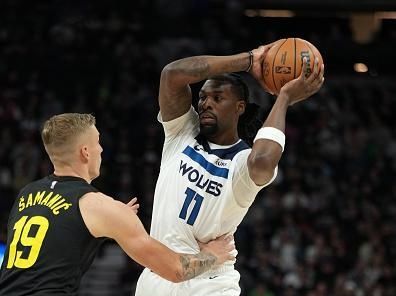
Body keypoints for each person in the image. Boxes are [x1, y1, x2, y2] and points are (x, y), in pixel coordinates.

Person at [135, 41, 325, 295]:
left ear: (239, 107)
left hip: (209, 280)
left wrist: (284, 98)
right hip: (158, 274)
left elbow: (263, 162)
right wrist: (248, 60)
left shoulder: (241, 162)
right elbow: (172, 74)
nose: (205, 103)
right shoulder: (181, 133)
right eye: (202, 97)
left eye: (217, 97)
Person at [0, 113, 235, 296]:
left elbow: (58, 238)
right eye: (97, 142)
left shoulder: (26, 194)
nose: (101, 149)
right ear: (85, 152)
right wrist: (212, 255)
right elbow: (175, 270)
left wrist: (109, 223)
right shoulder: (97, 205)